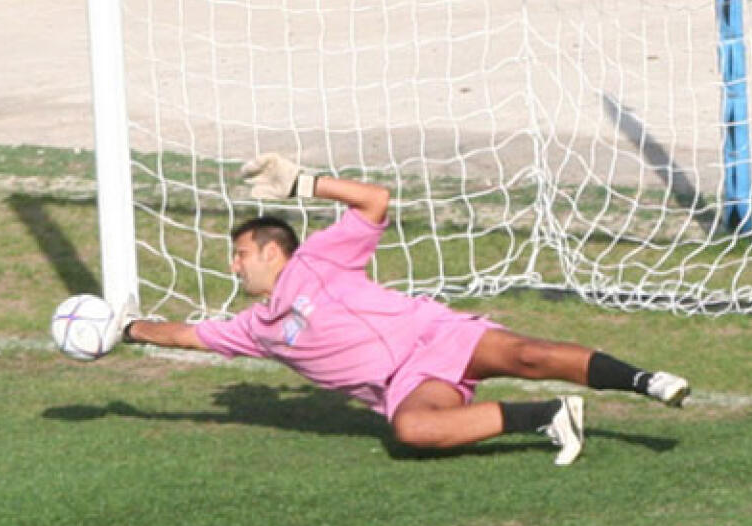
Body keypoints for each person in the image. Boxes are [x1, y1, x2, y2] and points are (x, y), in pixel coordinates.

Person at [118, 154, 690, 466]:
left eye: (241, 254)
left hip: (433, 334)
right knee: (411, 430)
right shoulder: (255, 329)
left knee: (527, 353)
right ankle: (547, 416)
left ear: (272, 250)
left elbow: (376, 201)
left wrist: (304, 183)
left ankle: (648, 380)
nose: (235, 266)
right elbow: (189, 336)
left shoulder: (319, 256)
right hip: (409, 381)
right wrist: (127, 328)